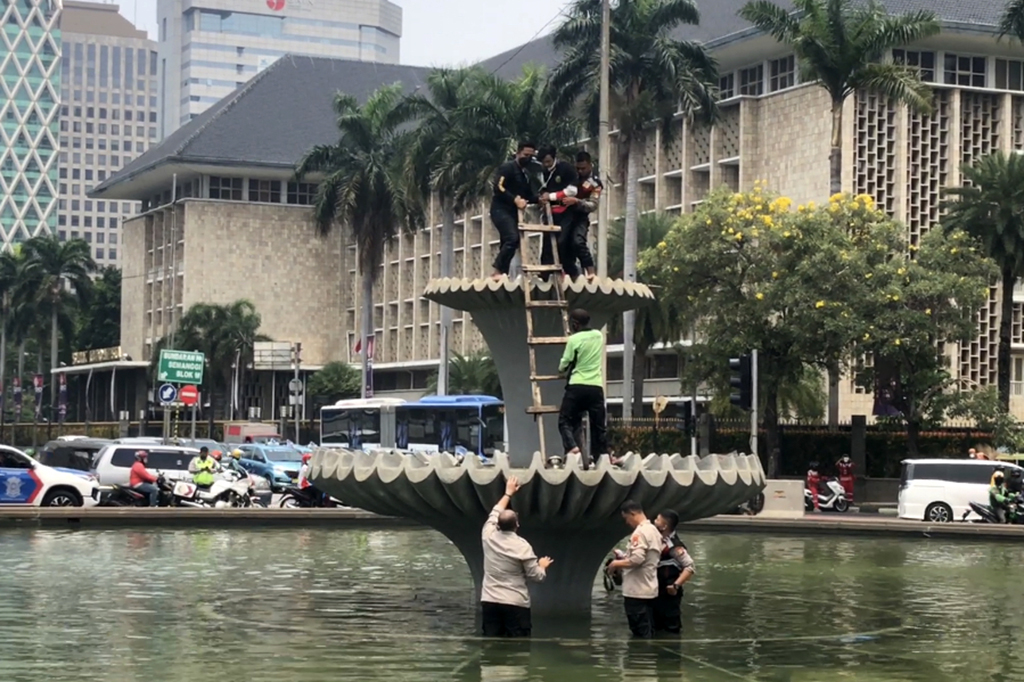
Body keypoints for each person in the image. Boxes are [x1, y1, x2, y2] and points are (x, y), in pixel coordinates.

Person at [480, 476, 553, 637]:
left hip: (490, 601)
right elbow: (537, 577)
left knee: (491, 644)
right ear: (517, 525)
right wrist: (542, 565)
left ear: (497, 525)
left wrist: (508, 493)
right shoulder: (522, 547)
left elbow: (495, 512)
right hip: (515, 604)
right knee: (517, 647)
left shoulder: (488, 535)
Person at [556, 308, 607, 469]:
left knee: (565, 420)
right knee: (598, 426)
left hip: (577, 387)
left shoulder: (574, 339)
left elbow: (565, 362)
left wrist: (561, 369)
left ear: (575, 324)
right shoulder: (599, 336)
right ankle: (602, 457)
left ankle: (572, 447)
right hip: (595, 387)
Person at [605, 500, 662, 638]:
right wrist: (623, 556)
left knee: (640, 631)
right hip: (650, 588)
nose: (627, 522)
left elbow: (637, 560)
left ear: (632, 513)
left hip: (636, 591)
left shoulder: (640, 533)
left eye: (626, 518)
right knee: (648, 628)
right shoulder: (653, 530)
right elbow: (645, 557)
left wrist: (615, 565)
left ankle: (642, 657)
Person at [490, 141, 539, 280]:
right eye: (525, 154)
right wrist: (514, 200)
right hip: (501, 210)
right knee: (512, 238)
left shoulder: (525, 175)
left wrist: (540, 199)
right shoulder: (508, 168)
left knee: (508, 241)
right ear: (518, 153)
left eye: (531, 156)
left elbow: (528, 196)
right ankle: (497, 271)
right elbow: (498, 186)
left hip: (513, 213)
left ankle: (502, 273)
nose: (528, 158)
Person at [536, 146, 579, 279]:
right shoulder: (541, 172)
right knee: (547, 244)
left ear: (554, 158)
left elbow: (573, 190)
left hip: (566, 210)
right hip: (550, 211)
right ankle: (545, 274)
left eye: (548, 161)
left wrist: (552, 196)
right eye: (544, 162)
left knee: (562, 242)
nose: (546, 164)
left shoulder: (565, 168)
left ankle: (571, 272)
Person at [652, 509, 696, 634]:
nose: (654, 522)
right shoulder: (658, 540)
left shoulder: (674, 546)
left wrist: (675, 585)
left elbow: (690, 566)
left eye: (657, 519)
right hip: (657, 590)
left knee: (671, 624)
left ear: (664, 526)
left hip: (669, 591)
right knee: (656, 623)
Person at [562, 151, 601, 280]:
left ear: (590, 166)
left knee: (578, 242)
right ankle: (573, 274)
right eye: (578, 168)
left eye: (583, 168)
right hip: (564, 215)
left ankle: (590, 271)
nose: (580, 171)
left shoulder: (595, 183)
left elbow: (593, 205)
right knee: (562, 245)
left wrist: (577, 202)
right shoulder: (571, 177)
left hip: (580, 216)